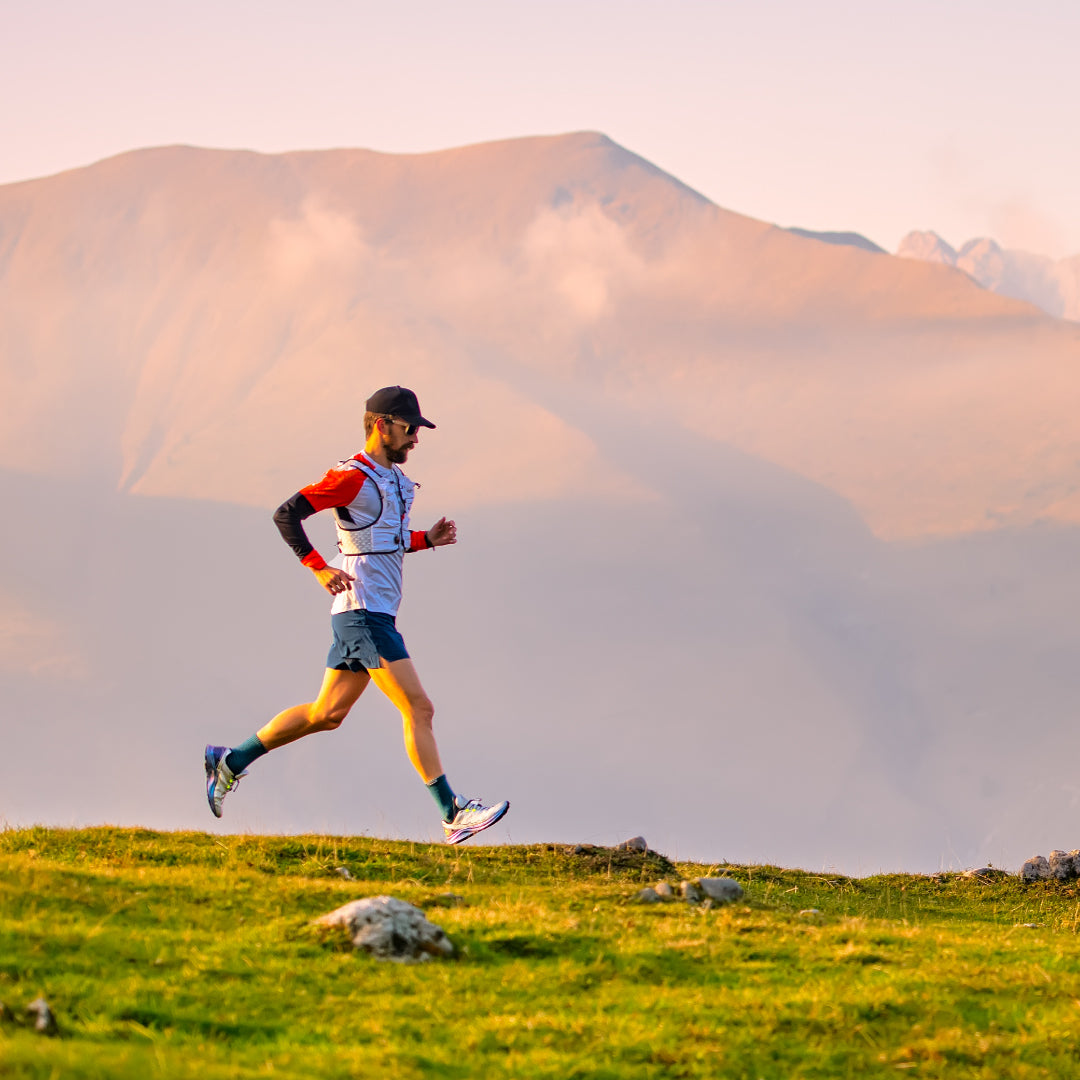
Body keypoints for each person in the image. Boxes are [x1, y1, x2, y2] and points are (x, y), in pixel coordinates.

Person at [203, 386, 509, 844]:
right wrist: (318, 567)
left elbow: (381, 538)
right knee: (419, 707)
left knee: (327, 713)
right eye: (410, 429)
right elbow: (286, 514)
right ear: (381, 425)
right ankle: (453, 814)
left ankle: (229, 761)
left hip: (370, 615)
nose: (416, 440)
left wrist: (427, 539)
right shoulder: (351, 477)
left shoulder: (393, 481)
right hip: (363, 615)